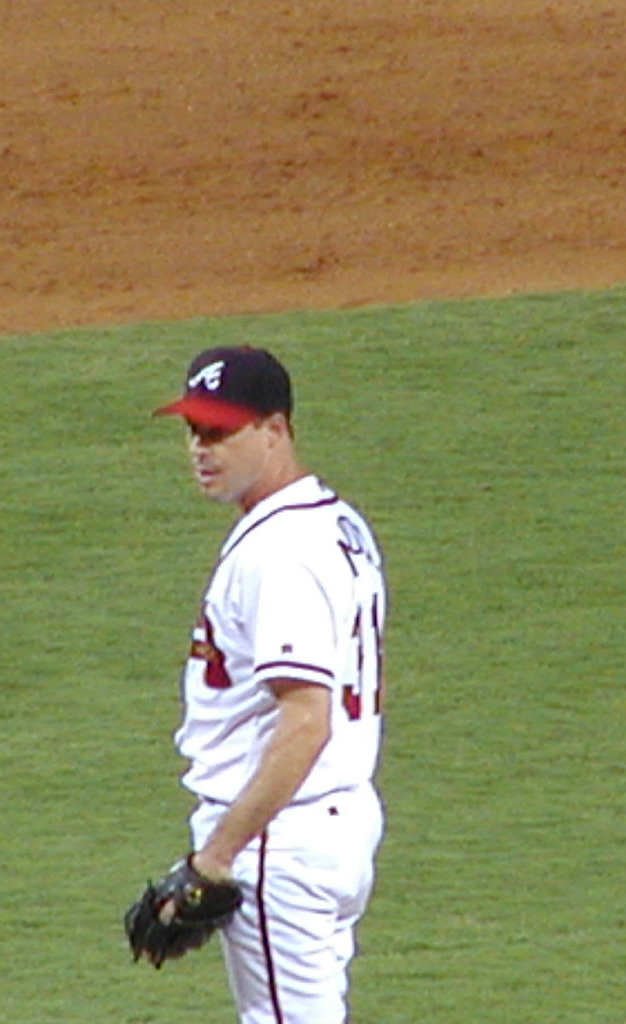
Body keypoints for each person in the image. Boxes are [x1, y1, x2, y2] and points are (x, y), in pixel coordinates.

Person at [152, 345, 387, 1024]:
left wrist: (214, 859)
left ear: (275, 430)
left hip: (280, 840)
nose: (202, 448)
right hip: (326, 824)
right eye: (194, 430)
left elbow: (305, 721)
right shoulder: (333, 522)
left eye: (221, 432)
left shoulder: (278, 554)